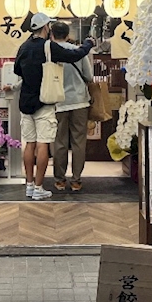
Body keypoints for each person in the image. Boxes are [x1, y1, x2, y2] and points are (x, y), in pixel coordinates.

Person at [13, 12, 95, 200]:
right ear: (45, 27)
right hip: (51, 100)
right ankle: (48, 185)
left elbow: (18, 70)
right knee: (51, 143)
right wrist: (88, 44)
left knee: (37, 144)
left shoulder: (24, 47)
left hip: (30, 102)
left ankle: (36, 184)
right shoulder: (49, 47)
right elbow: (78, 58)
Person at [49, 20, 92, 192]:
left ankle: (59, 180)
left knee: (59, 142)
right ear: (68, 35)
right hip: (80, 101)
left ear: (52, 35)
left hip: (58, 102)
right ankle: (76, 180)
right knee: (78, 142)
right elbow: (88, 76)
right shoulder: (78, 52)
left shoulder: (49, 52)